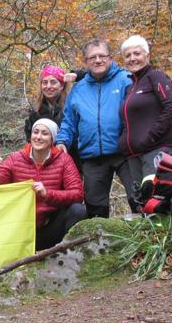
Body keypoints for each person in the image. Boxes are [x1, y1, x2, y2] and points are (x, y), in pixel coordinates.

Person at [56, 39, 137, 218]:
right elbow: (69, 121)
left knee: (138, 199)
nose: (98, 60)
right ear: (86, 62)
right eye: (92, 57)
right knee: (95, 209)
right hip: (92, 156)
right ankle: (100, 244)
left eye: (102, 56)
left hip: (125, 152)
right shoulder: (78, 89)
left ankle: (148, 240)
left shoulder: (125, 80)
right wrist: (62, 140)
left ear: (110, 58)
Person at [0, 119, 86, 250]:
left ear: (52, 138)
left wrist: (47, 194)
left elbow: (77, 194)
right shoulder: (15, 158)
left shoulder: (64, 160)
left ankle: (67, 254)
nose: (38, 137)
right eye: (35, 132)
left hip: (50, 227)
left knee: (78, 210)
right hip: (19, 229)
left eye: (44, 133)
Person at [118, 35, 172, 184]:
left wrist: (150, 137)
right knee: (142, 203)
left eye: (137, 53)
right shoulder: (130, 87)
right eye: (127, 55)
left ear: (147, 55)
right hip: (134, 154)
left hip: (157, 148)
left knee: (158, 199)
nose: (132, 58)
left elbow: (171, 108)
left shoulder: (156, 77)